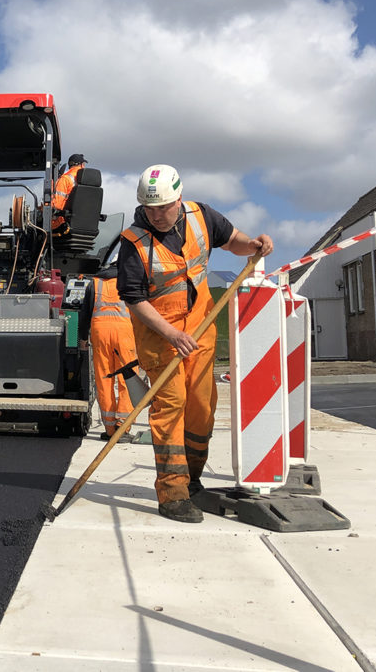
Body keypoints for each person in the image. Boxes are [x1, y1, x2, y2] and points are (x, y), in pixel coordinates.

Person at [117, 164, 273, 524]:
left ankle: (194, 479)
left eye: (163, 207)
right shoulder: (133, 243)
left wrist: (252, 244)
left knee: (202, 407)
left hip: (201, 331)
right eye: (149, 208)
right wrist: (171, 334)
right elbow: (135, 299)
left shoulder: (203, 217)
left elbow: (232, 240)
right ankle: (172, 494)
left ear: (179, 199)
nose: (156, 215)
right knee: (171, 407)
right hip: (161, 339)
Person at [78, 264, 142, 442]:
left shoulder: (95, 283)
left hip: (100, 332)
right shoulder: (129, 279)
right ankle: (124, 425)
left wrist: (83, 338)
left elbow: (85, 314)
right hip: (124, 332)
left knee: (104, 379)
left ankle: (109, 429)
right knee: (127, 378)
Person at [52, 153, 87, 237]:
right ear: (81, 165)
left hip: (62, 224)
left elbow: (57, 206)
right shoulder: (88, 183)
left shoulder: (65, 179)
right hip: (84, 224)